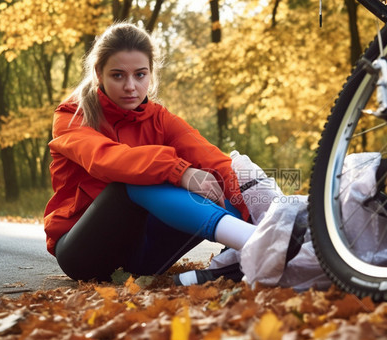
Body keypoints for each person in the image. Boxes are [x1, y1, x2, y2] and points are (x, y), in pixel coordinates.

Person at [43, 22, 257, 283]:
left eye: (140, 75)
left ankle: (260, 239)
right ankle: (255, 241)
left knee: (215, 181)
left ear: (151, 74)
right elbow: (106, 160)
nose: (130, 86)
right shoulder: (70, 117)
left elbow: (215, 161)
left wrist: (261, 210)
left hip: (144, 256)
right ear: (99, 73)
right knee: (131, 183)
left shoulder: (161, 119)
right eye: (118, 75)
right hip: (84, 253)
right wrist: (180, 171)